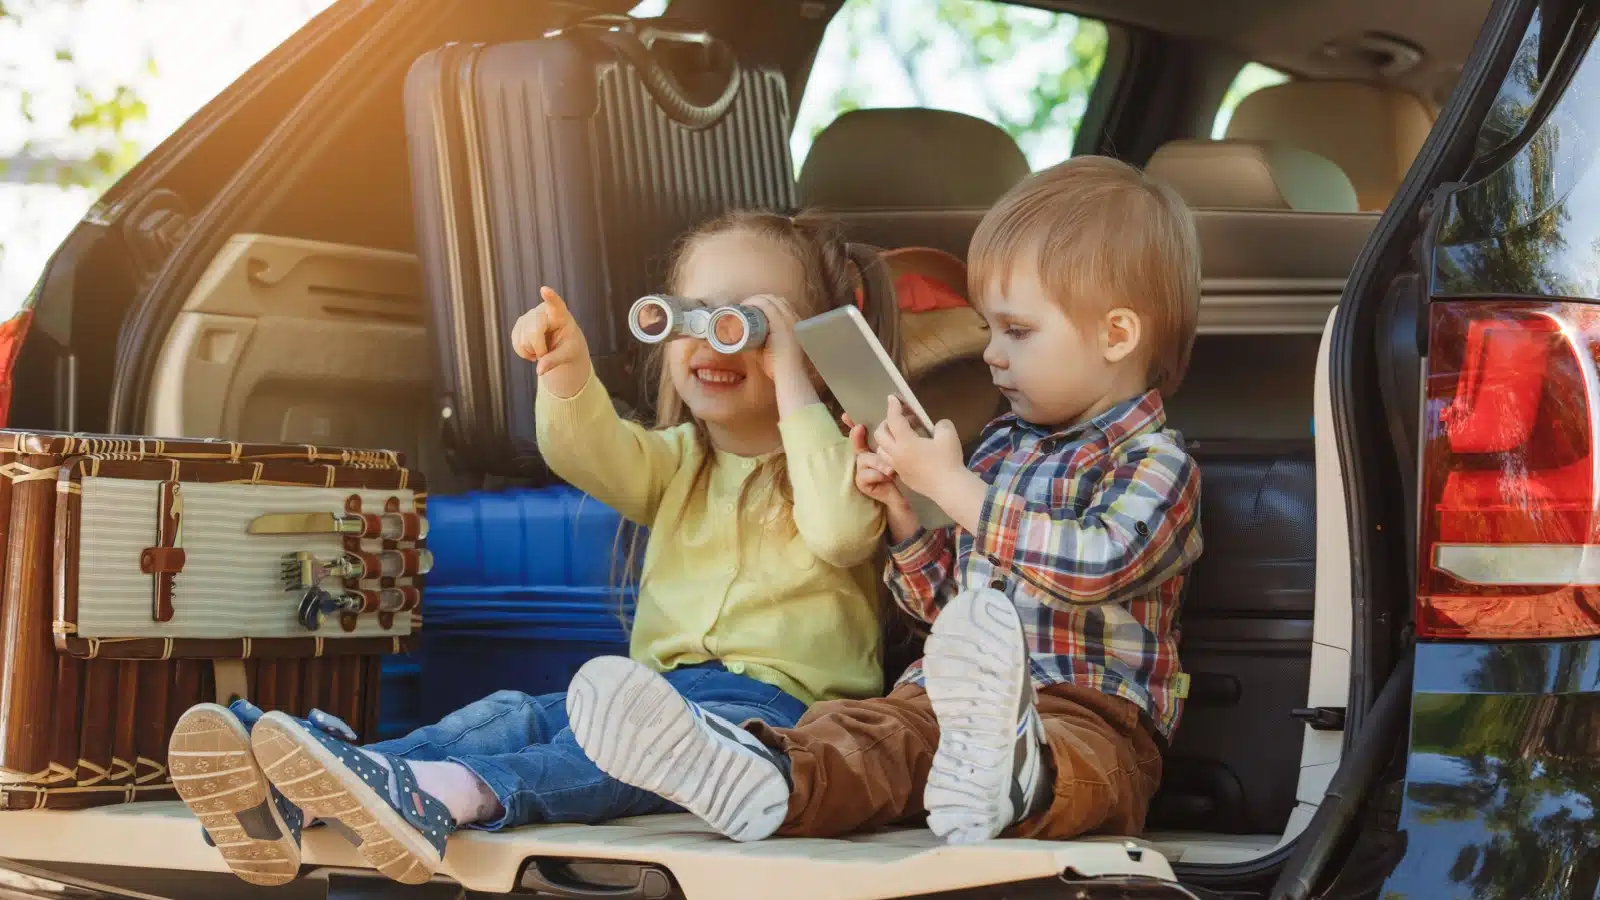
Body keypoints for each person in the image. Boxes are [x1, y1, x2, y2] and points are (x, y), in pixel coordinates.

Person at [167, 210, 901, 886]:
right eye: (693, 317)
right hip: (651, 688)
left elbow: (840, 532)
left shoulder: (844, 460)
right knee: (518, 712)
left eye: (747, 323)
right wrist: (568, 372)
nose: (712, 340)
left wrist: (798, 383)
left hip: (772, 715)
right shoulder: (678, 461)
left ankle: (454, 793)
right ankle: (321, 781)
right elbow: (586, 451)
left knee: (602, 755)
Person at [567, 156, 1205, 846]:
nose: (991, 355)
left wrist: (955, 489)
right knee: (864, 734)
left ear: (1116, 335)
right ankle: (762, 775)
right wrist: (906, 519)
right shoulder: (995, 451)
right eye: (989, 329)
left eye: (1015, 332)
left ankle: (1019, 777)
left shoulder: (1157, 465)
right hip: (942, 701)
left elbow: (1093, 568)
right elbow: (943, 608)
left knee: (1096, 770)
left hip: (1085, 705)